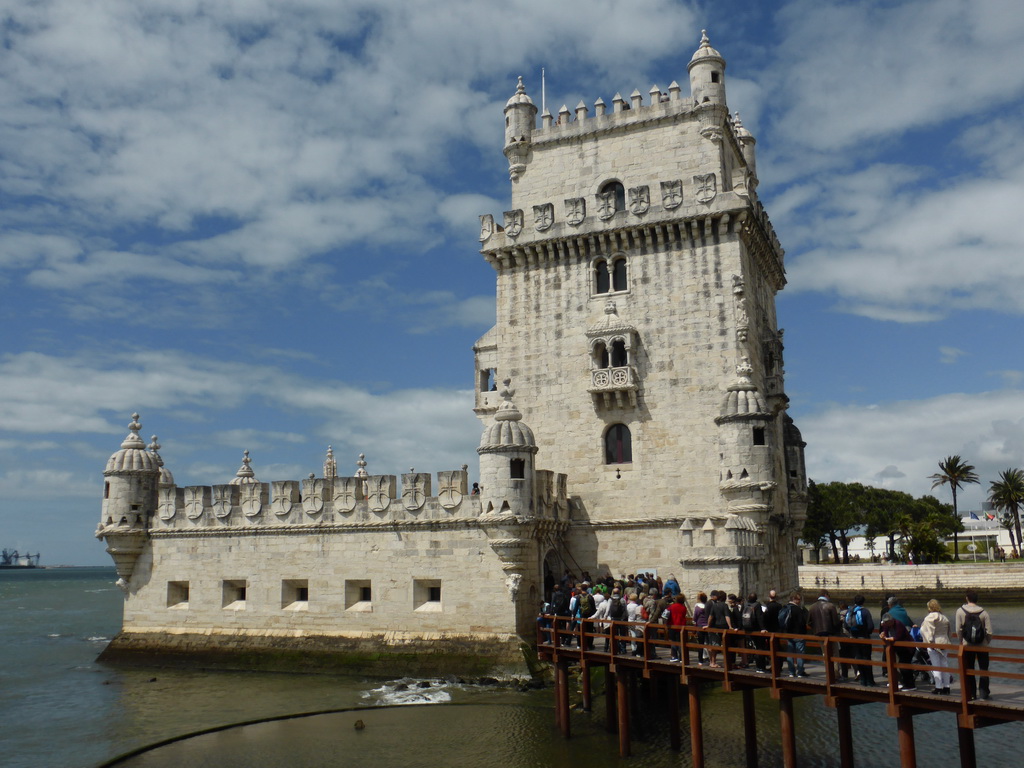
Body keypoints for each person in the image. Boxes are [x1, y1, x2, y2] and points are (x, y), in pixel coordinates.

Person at [955, 589, 993, 700]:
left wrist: (961, 640)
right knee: (983, 669)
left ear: (967, 598)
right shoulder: (984, 612)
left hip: (967, 644)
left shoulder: (960, 611)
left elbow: (958, 629)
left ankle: (971, 693)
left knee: (969, 668)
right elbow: (989, 631)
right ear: (977, 599)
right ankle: (983, 693)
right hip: (982, 645)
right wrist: (986, 641)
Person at [919, 599, 953, 695]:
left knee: (936, 666)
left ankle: (938, 687)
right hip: (944, 642)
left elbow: (928, 632)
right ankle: (947, 686)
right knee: (945, 664)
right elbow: (949, 632)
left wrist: (929, 643)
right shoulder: (944, 617)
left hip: (934, 643)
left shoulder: (929, 618)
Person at [808, 589, 843, 677]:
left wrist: (815, 628)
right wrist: (841, 622)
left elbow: (808, 623)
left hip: (819, 635)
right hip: (830, 634)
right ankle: (835, 674)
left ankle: (828, 673)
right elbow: (835, 623)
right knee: (835, 654)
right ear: (826, 595)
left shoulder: (812, 607)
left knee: (825, 654)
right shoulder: (830, 606)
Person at [879, 612, 916, 690]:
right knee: (900, 666)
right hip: (899, 648)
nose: (887, 623)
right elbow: (885, 634)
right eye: (885, 622)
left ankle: (910, 685)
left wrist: (889, 638)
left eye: (888, 622)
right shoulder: (886, 625)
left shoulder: (898, 624)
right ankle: (904, 683)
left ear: (891, 620)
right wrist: (883, 636)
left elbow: (898, 636)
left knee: (905, 666)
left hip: (907, 647)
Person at [846, 595, 876, 686]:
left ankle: (863, 680)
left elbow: (846, 625)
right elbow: (870, 626)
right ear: (863, 602)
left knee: (858, 658)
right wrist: (866, 632)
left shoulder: (850, 611)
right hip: (864, 638)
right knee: (867, 658)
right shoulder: (865, 611)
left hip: (854, 638)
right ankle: (870, 681)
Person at [781, 591, 809, 677]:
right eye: (799, 599)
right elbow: (802, 623)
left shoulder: (785, 608)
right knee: (800, 653)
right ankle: (800, 672)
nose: (800, 601)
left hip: (789, 634)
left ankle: (791, 672)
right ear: (794, 599)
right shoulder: (798, 610)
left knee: (790, 653)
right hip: (799, 634)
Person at [706, 590, 732, 668]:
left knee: (715, 645)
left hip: (716, 625)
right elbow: (727, 616)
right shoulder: (724, 605)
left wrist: (708, 625)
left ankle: (713, 662)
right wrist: (730, 626)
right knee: (725, 645)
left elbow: (711, 616)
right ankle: (726, 662)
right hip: (724, 626)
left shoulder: (714, 605)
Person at [762, 589, 783, 675]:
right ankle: (779, 665)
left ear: (769, 596)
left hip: (769, 630)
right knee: (778, 648)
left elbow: (764, 619)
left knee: (770, 648)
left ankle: (773, 666)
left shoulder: (767, 607)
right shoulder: (779, 606)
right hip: (777, 630)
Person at [667, 593, 688, 661]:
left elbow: (665, 615)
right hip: (681, 626)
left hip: (673, 625)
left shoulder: (671, 607)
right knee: (680, 642)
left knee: (673, 641)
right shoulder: (684, 608)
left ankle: (674, 656)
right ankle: (682, 657)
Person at [693, 592, 709, 665]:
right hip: (707, 625)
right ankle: (708, 657)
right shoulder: (707, 606)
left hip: (700, 626)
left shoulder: (697, 607)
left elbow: (695, 617)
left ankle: (700, 660)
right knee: (708, 642)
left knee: (700, 643)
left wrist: (695, 623)